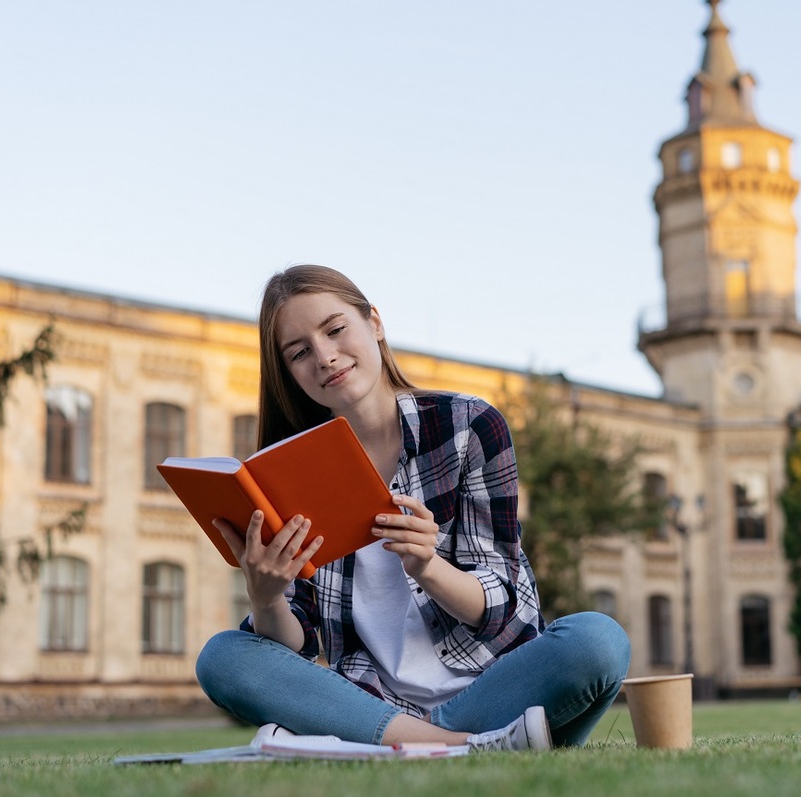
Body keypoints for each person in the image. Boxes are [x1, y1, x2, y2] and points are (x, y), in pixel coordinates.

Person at [195, 264, 631, 751]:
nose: (324, 357)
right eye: (299, 353)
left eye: (335, 329)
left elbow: (510, 613)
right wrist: (266, 596)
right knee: (222, 657)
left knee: (598, 640)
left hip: (493, 691)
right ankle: (468, 747)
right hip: (371, 704)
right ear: (290, 374)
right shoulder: (287, 473)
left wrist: (428, 566)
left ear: (375, 324)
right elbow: (295, 648)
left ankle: (410, 747)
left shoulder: (467, 426)